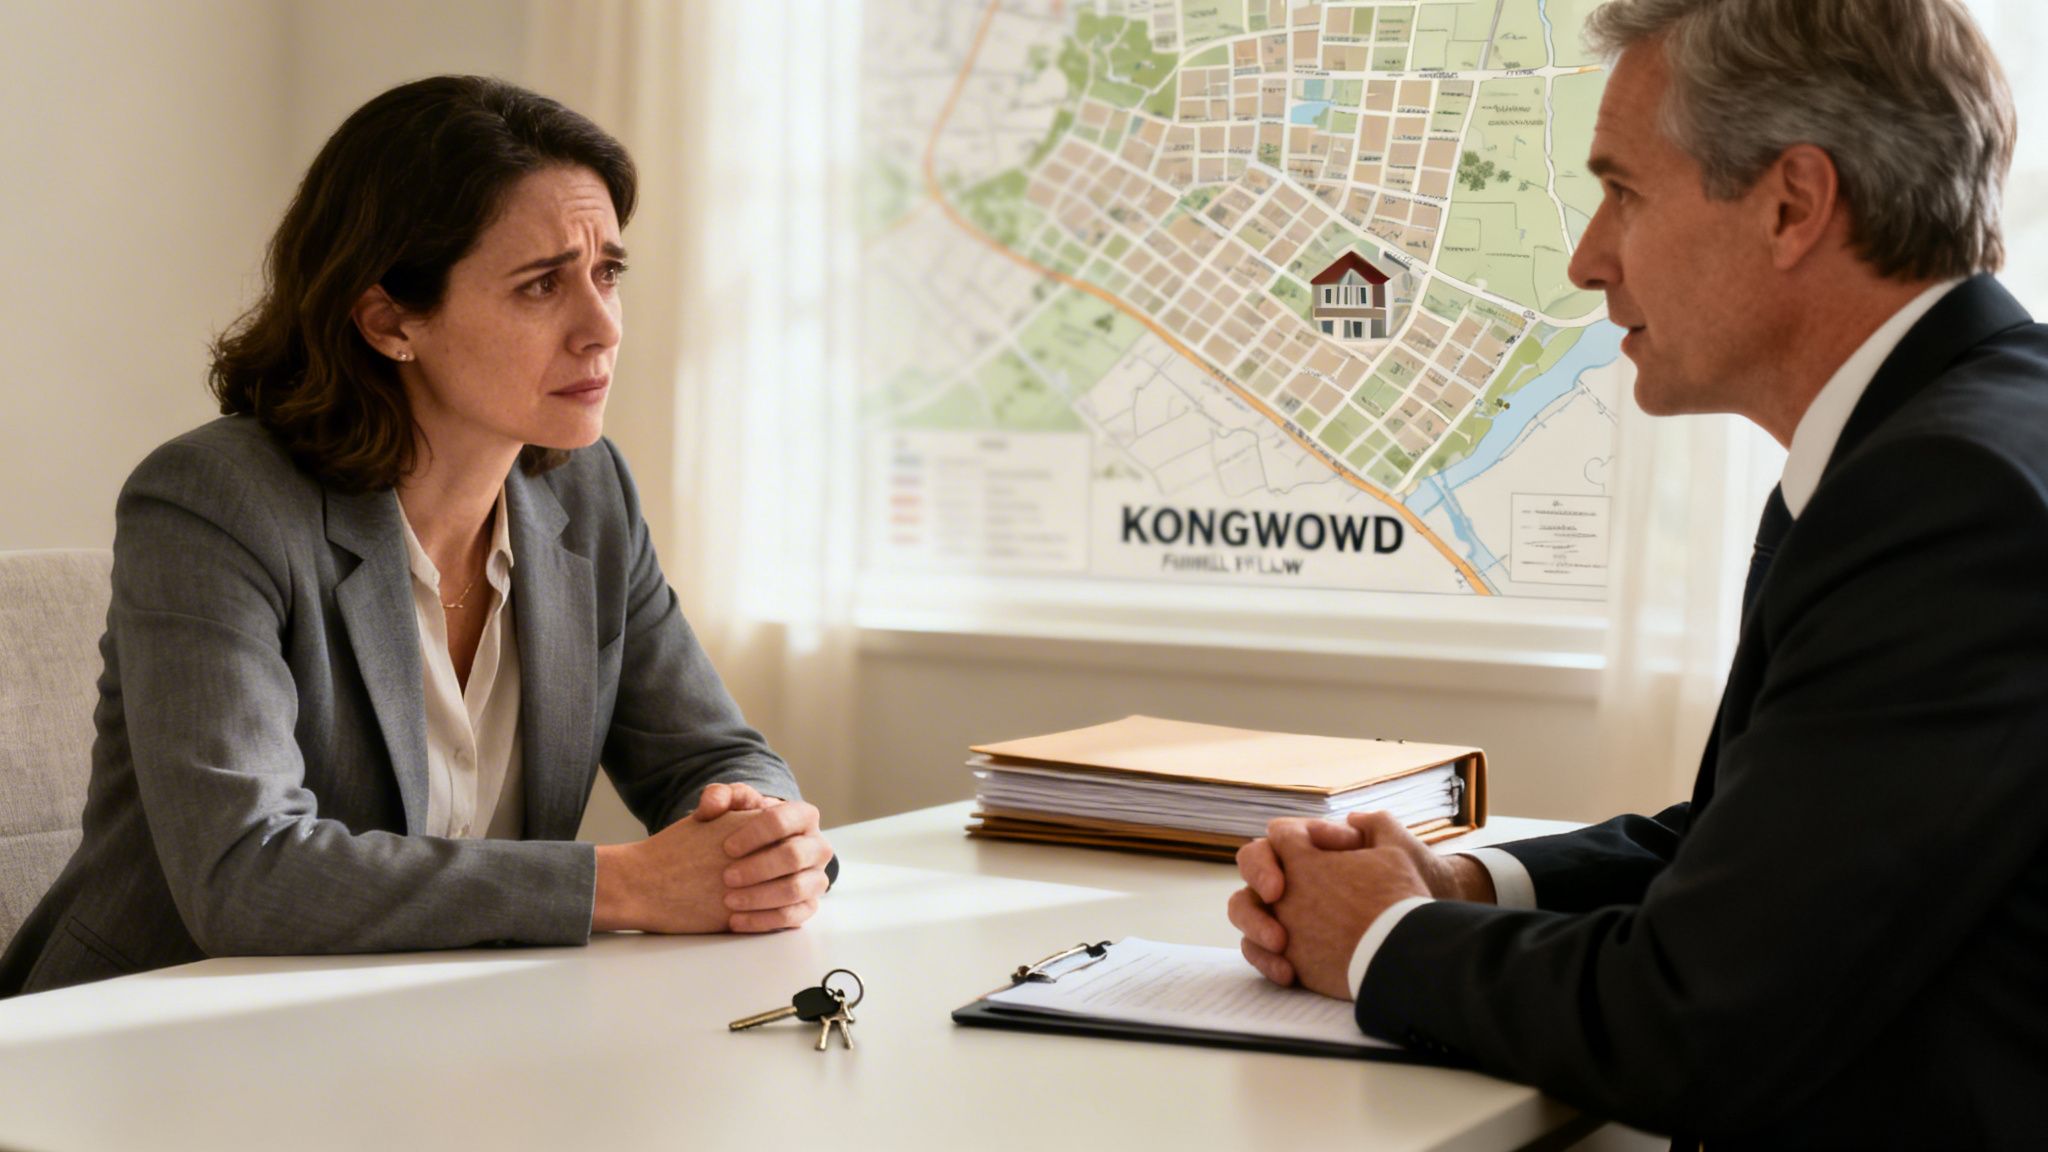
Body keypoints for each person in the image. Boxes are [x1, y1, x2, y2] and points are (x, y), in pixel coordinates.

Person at [1227, 0, 2047, 1143]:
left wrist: (1375, 941)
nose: (1582, 259)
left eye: (1623, 191)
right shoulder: (1949, 438)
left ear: (1790, 205)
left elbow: (1697, 1015)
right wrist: (1463, 886)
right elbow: (1762, 851)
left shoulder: (1944, 497)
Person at [0, 76, 835, 998]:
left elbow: (710, 755)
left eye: (607, 275)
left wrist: (760, 834)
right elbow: (247, 873)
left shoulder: (589, 495)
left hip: (440, 1024)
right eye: (541, 285)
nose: (602, 329)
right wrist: (625, 884)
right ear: (391, 319)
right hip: (148, 1042)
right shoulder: (213, 502)